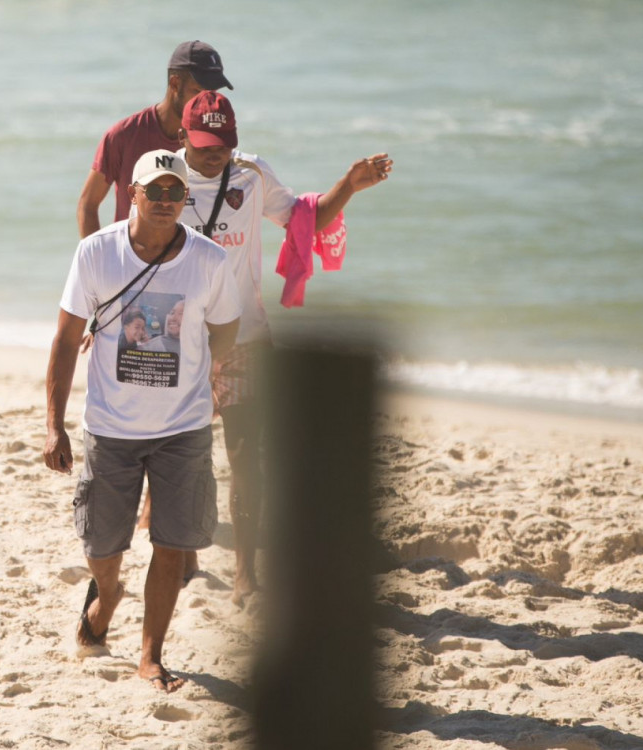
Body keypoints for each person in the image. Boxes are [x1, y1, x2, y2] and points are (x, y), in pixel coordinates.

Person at [173, 90, 393, 606]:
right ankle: (184, 557)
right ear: (182, 137)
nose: (215, 153)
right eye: (204, 144)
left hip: (245, 337)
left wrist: (349, 187)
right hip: (177, 342)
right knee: (181, 457)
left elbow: (302, 219)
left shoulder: (251, 175)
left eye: (224, 143)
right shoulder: (163, 179)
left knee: (249, 461)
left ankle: (246, 572)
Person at [44, 149, 241, 693]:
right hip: (110, 428)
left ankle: (150, 656)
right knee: (101, 546)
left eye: (174, 192)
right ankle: (107, 595)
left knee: (173, 543)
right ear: (131, 193)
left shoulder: (209, 261)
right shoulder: (96, 254)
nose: (164, 201)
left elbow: (226, 329)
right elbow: (65, 339)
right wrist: (53, 424)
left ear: (186, 198)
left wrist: (206, 375)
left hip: (184, 428)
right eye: (153, 190)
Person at [76, 40, 233, 238]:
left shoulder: (215, 143)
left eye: (212, 93)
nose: (206, 102)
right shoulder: (123, 136)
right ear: (175, 84)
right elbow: (88, 205)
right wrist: (97, 261)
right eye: (198, 92)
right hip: (134, 261)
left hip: (191, 261)